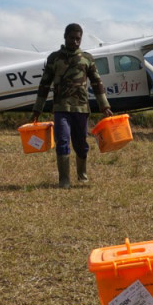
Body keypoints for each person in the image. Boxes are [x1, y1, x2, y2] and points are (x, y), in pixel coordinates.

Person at [30, 23, 113, 189]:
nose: (75, 41)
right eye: (72, 38)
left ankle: (82, 175)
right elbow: (44, 85)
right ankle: (64, 180)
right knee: (62, 141)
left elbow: (97, 83)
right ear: (65, 37)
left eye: (78, 38)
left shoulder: (87, 58)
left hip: (81, 109)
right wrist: (37, 110)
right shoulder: (54, 59)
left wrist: (104, 106)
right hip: (61, 109)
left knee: (81, 144)